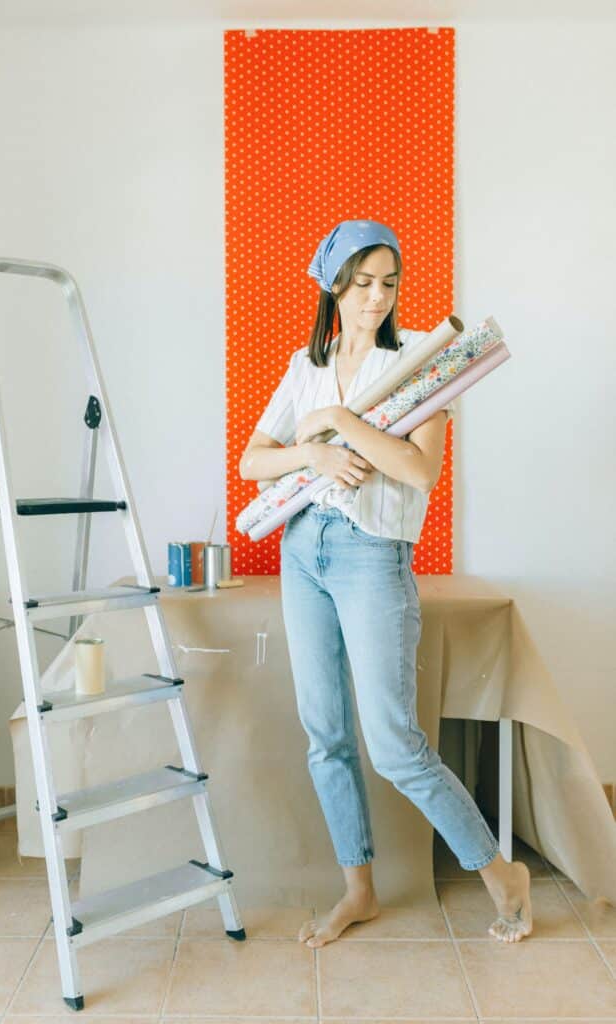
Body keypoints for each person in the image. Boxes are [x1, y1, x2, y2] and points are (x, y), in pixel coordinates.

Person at [238, 219, 533, 947]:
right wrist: (313, 455)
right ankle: (357, 888)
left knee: (395, 743)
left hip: (372, 555)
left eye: (388, 283)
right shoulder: (304, 364)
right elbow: (252, 462)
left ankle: (500, 873)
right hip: (302, 552)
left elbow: (415, 470)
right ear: (332, 284)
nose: (376, 297)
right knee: (324, 735)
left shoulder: (419, 364)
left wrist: (341, 422)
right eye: (362, 282)